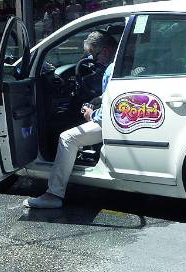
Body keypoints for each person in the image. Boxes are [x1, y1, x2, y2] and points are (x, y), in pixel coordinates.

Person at [23, 31, 118, 209]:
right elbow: (112, 98)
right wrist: (98, 100)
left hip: (113, 124)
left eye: (93, 54)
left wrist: (91, 114)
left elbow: (108, 116)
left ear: (105, 51)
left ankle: (54, 194)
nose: (92, 59)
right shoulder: (123, 64)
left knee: (67, 138)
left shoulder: (111, 70)